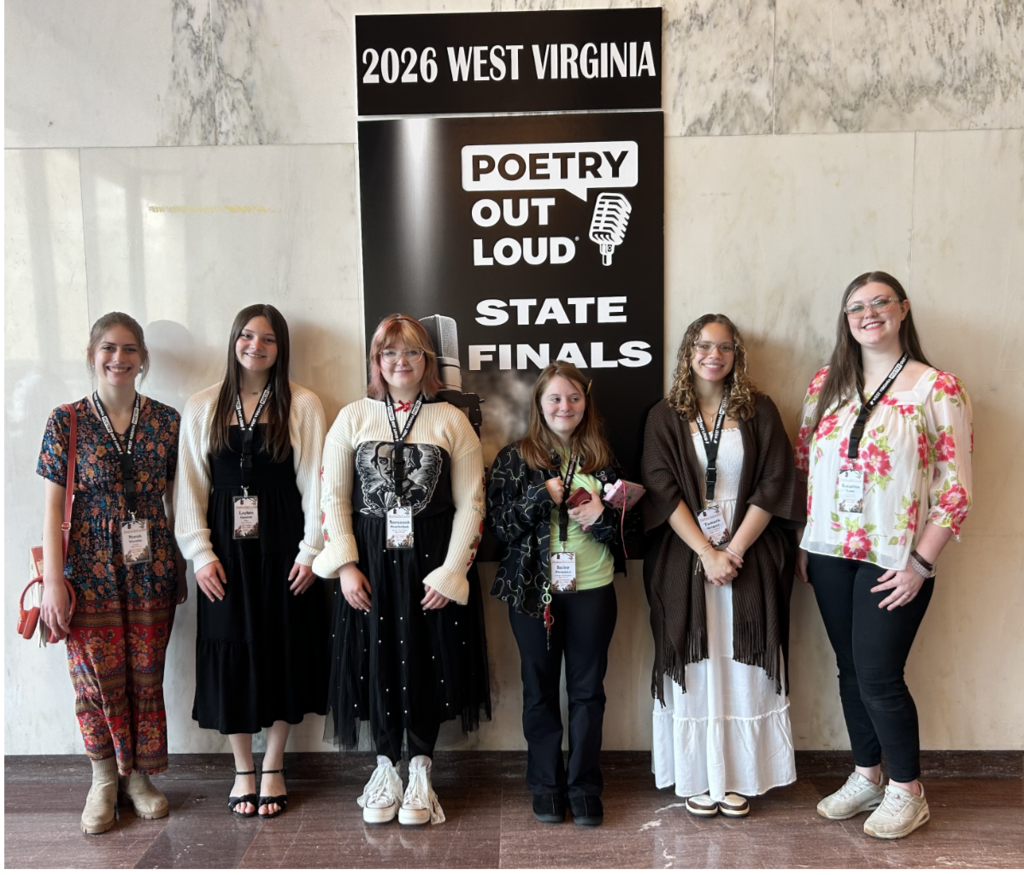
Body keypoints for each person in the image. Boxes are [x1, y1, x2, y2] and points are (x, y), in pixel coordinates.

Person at [794, 271, 973, 839]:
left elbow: (955, 488)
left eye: (879, 304)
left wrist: (921, 563)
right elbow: (807, 469)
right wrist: (806, 539)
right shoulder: (826, 383)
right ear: (845, 321)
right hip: (827, 552)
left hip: (894, 556)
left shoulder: (936, 387)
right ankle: (868, 775)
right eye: (856, 308)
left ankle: (907, 792)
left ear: (903, 310)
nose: (868, 314)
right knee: (849, 672)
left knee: (879, 675)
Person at [313, 314, 490, 827]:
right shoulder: (351, 418)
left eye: (412, 352)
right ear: (376, 361)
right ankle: (385, 767)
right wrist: (344, 564)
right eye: (389, 353)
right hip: (369, 564)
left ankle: (420, 769)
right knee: (377, 661)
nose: (400, 362)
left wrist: (451, 572)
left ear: (428, 362)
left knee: (425, 660)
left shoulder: (451, 421)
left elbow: (472, 503)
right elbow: (333, 497)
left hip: (431, 562)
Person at [641, 315, 804, 820]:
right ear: (688, 352)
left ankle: (739, 776)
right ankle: (698, 774)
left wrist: (732, 551)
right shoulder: (664, 415)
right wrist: (706, 553)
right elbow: (662, 488)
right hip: (684, 556)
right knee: (694, 663)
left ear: (737, 354)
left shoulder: (759, 410)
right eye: (704, 345)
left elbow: (775, 483)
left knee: (742, 663)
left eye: (725, 347)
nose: (714, 355)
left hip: (749, 556)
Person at [175, 304, 328, 819]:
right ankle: (243, 767)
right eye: (246, 336)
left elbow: (316, 484)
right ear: (233, 342)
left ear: (281, 348)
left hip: (285, 548)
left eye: (267, 339)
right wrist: (199, 554)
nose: (255, 346)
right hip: (223, 553)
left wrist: (312, 552)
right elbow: (191, 491)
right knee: (231, 650)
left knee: (284, 648)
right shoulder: (202, 406)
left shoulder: (301, 404)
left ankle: (275, 764)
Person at [36, 312, 187, 834]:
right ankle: (103, 779)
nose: (117, 358)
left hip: (151, 568)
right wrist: (54, 581)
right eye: (107, 348)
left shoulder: (168, 422)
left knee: (146, 677)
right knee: (93, 680)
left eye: (128, 349)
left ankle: (140, 778)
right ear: (91, 354)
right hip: (87, 569)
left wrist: (189, 557)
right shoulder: (66, 420)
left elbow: (178, 499)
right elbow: (53, 509)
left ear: (143, 357)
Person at [487, 361, 630, 828]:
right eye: (555, 398)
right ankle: (546, 786)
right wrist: (540, 496)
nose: (564, 406)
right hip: (533, 592)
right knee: (540, 691)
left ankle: (585, 786)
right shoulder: (515, 457)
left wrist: (601, 518)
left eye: (573, 398)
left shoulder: (603, 459)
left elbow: (630, 533)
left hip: (593, 589)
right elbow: (499, 528)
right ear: (539, 405)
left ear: (585, 404)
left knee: (588, 693)